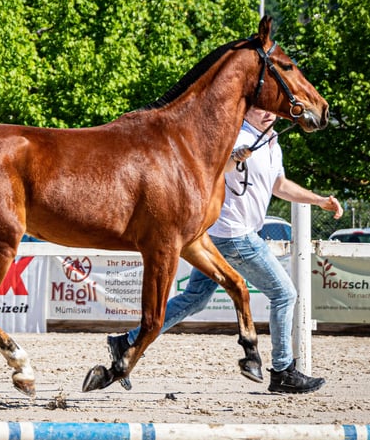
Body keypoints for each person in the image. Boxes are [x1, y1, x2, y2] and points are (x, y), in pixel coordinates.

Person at [108, 106, 343, 394]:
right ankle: (283, 371)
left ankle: (127, 342)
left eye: (270, 110)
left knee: (194, 300)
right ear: (246, 111)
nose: (268, 114)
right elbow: (219, 166)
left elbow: (279, 185)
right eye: (260, 109)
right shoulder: (236, 135)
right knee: (284, 294)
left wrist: (318, 200)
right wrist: (235, 156)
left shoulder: (271, 141)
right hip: (235, 236)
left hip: (216, 236)